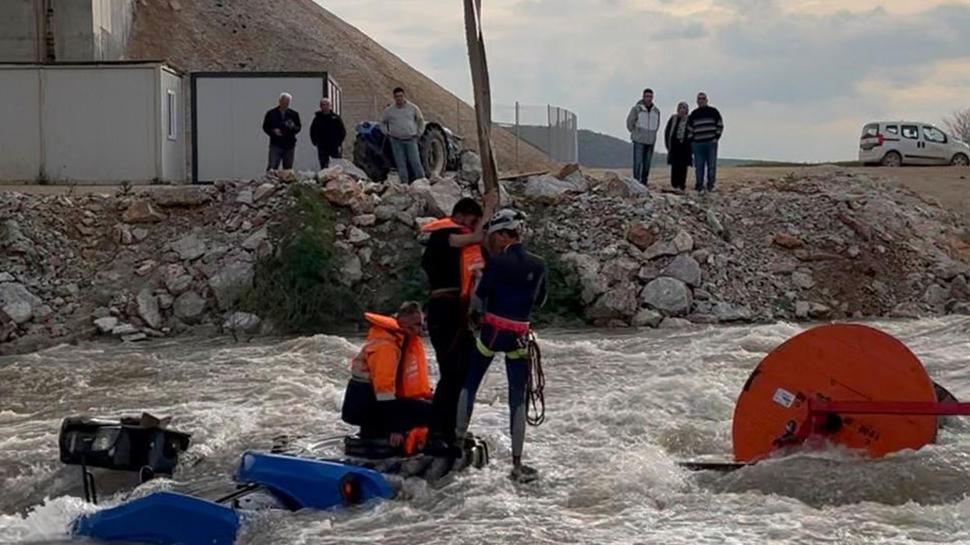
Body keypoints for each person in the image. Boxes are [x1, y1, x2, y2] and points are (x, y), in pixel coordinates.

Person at [455, 209, 547, 483]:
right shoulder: (539, 264)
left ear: (506, 234)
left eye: (495, 236)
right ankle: (517, 464)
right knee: (517, 396)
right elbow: (540, 301)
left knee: (470, 383)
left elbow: (479, 298)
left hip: (493, 331)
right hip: (520, 333)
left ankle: (458, 443)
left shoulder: (497, 263)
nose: (493, 242)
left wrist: (478, 281)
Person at [419, 198, 487, 452]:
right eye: (472, 222)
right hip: (442, 311)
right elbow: (473, 239)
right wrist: (489, 209)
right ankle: (437, 432)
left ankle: (454, 428)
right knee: (450, 373)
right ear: (461, 216)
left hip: (459, 313)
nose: (473, 228)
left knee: (466, 370)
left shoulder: (461, 238)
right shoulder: (444, 235)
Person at [341, 303, 432, 452]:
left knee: (426, 406)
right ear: (404, 322)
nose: (420, 330)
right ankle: (413, 442)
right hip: (366, 405)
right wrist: (395, 428)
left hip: (371, 402)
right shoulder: (386, 348)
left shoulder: (396, 338)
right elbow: (384, 393)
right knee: (430, 412)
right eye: (417, 325)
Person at [381, 87, 427, 184]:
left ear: (404, 96)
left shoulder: (413, 108)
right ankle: (404, 185)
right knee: (401, 164)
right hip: (396, 141)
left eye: (401, 96)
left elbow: (420, 121)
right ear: (394, 97)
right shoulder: (389, 111)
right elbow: (383, 123)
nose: (399, 98)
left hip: (411, 140)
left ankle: (422, 183)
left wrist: (419, 133)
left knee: (415, 162)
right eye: (397, 96)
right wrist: (386, 132)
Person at [687, 92, 724, 194]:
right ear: (697, 101)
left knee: (711, 166)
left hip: (711, 143)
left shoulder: (714, 112)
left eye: (703, 99)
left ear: (707, 100)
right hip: (698, 144)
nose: (701, 100)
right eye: (699, 99)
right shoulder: (694, 114)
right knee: (699, 166)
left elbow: (720, 125)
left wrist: (716, 137)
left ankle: (710, 185)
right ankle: (699, 185)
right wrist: (692, 141)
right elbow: (689, 129)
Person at [625, 88, 661, 186]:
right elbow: (629, 122)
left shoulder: (656, 111)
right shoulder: (637, 109)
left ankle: (644, 183)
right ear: (643, 97)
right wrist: (636, 133)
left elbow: (657, 125)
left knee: (647, 164)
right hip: (639, 140)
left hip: (650, 141)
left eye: (650, 97)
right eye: (647, 96)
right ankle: (636, 183)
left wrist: (653, 134)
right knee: (638, 162)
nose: (649, 99)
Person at [262, 92, 302, 171]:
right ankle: (270, 182)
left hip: (289, 145)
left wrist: (293, 127)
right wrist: (273, 131)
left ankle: (286, 183)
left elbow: (298, 128)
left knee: (288, 169)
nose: (285, 104)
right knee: (272, 167)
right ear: (280, 101)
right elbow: (265, 127)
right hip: (276, 144)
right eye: (284, 102)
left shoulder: (294, 114)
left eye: (287, 102)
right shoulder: (271, 113)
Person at [309, 98, 346, 170]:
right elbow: (312, 131)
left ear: (330, 106)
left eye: (327, 105)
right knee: (323, 164)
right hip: (322, 146)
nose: (325, 106)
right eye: (323, 105)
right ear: (320, 106)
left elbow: (342, 131)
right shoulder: (317, 118)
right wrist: (315, 142)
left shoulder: (335, 118)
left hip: (333, 145)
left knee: (336, 165)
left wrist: (338, 142)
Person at [664, 102, 693, 192]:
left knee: (683, 167)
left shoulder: (690, 120)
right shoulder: (673, 119)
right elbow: (667, 132)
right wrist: (668, 145)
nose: (682, 110)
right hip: (674, 147)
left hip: (685, 148)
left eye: (684, 108)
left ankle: (681, 185)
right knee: (675, 167)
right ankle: (674, 185)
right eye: (681, 108)